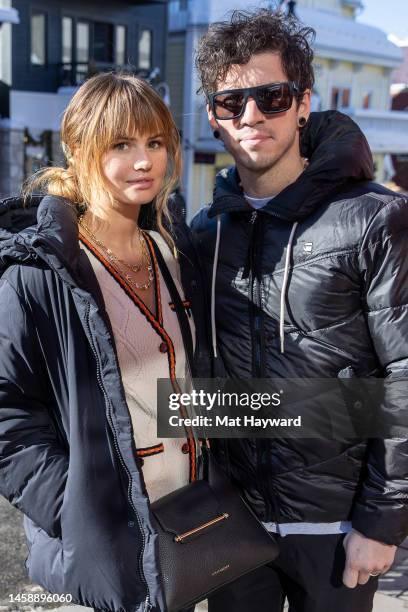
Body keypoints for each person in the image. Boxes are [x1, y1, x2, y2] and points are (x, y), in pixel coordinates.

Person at [191, 9, 408, 612]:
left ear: (303, 103)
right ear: (214, 116)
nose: (251, 116)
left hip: (337, 532)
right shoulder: (204, 234)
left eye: (272, 96)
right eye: (232, 102)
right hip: (234, 526)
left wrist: (381, 522)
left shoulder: (375, 218)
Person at [0, 73, 208, 611]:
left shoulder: (170, 250)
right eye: (121, 144)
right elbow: (6, 411)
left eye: (155, 142)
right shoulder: (40, 274)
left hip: (183, 528)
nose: (144, 161)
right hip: (103, 551)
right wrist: (72, 507)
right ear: (77, 149)